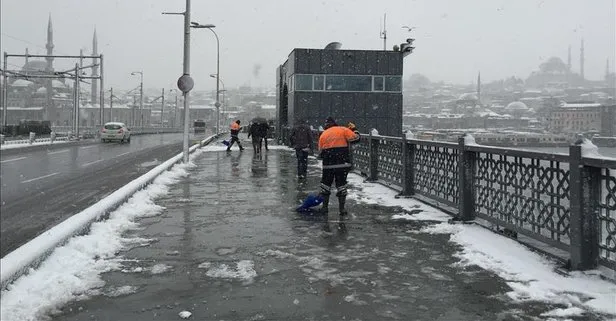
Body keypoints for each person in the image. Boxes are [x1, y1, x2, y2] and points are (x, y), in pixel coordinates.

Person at [318, 117, 360, 215]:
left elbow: (320, 152)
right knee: (341, 185)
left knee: (325, 185)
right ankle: (342, 209)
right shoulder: (343, 129)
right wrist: (354, 129)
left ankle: (324, 208)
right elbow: (356, 139)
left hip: (328, 165)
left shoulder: (323, 134)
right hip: (342, 163)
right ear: (335, 124)